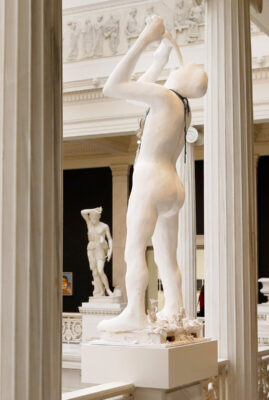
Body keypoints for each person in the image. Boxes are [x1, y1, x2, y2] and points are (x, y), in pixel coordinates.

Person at [98, 15, 207, 333]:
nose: (179, 66)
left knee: (134, 249)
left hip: (150, 180)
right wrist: (160, 57)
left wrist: (145, 38)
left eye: (182, 67)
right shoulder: (182, 108)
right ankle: (175, 308)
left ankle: (135, 311)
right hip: (173, 185)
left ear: (182, 79)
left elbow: (113, 86)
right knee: (166, 256)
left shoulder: (164, 97)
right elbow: (134, 95)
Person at [80, 207, 114, 296]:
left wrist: (110, 250)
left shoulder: (104, 226)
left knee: (100, 270)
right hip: (91, 248)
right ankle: (101, 291)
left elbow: (110, 239)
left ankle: (108, 290)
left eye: (95, 217)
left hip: (100, 248)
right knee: (94, 272)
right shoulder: (89, 223)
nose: (93, 219)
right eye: (91, 217)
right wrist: (93, 210)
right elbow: (82, 212)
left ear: (99, 217)